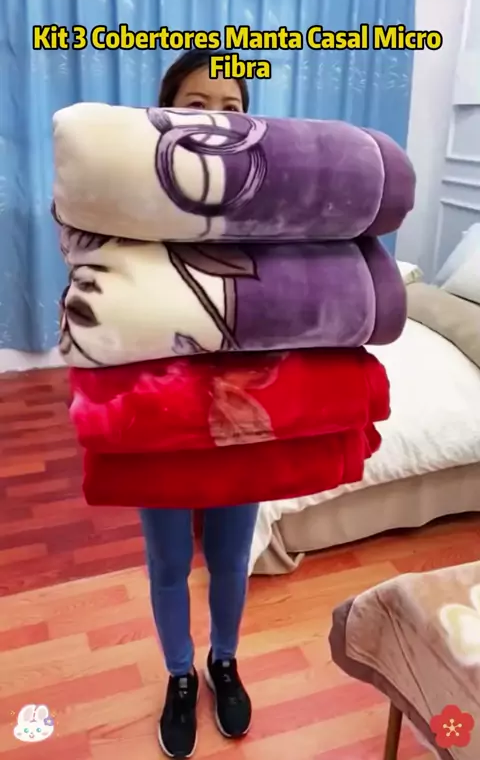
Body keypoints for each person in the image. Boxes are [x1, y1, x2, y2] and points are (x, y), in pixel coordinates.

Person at [140, 49, 256, 759]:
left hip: (241, 405)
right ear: (165, 113)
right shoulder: (131, 196)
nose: (214, 119)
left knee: (232, 556)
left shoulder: (266, 199)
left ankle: (224, 659)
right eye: (195, 104)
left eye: (231, 107)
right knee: (166, 560)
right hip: (160, 408)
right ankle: (180, 673)